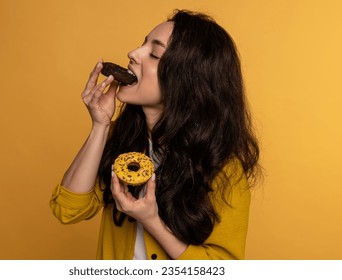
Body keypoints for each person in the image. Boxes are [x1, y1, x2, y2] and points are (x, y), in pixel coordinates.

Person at [50, 9, 261, 260]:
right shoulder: (125, 141)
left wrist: (151, 221)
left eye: (154, 54)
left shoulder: (223, 167)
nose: (133, 54)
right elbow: (67, 210)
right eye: (142, 44)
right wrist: (100, 126)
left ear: (186, 81)